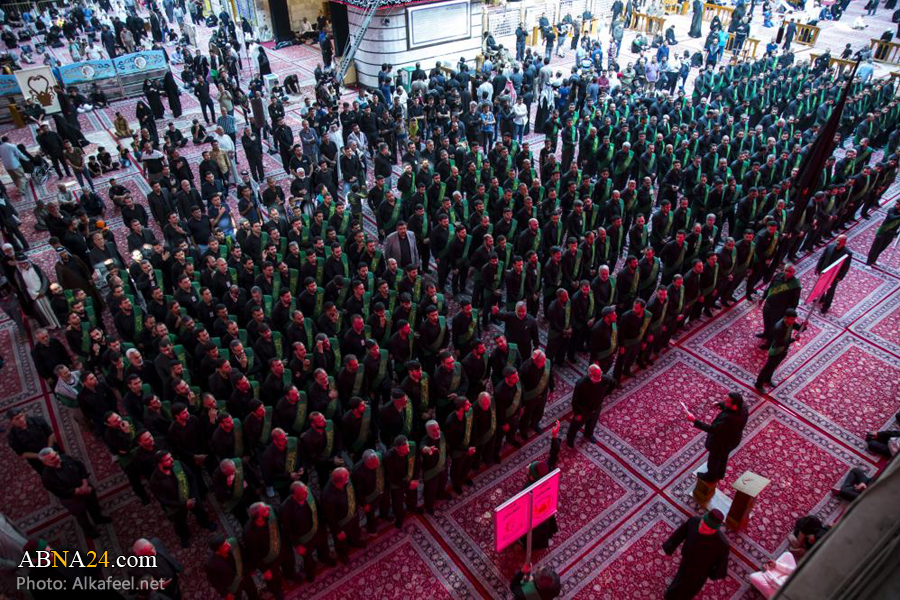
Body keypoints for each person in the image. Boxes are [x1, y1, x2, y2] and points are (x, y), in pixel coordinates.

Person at [39, 447, 111, 538]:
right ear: (46, 462)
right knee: (82, 516)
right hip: (71, 498)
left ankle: (98, 518)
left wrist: (84, 483)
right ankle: (90, 531)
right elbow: (60, 492)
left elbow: (80, 467)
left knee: (94, 505)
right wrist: (79, 491)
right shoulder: (47, 477)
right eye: (53, 458)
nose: (57, 458)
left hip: (84, 486)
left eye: (56, 454)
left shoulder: (65, 457)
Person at [662, 509, 730, 599]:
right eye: (702, 524)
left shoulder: (722, 544)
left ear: (714, 530)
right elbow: (681, 532)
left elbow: (721, 562)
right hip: (686, 558)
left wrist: (714, 574)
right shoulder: (694, 521)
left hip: (700, 571)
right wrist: (670, 546)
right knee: (681, 575)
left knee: (689, 589)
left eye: (706, 529)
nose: (702, 529)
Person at [685, 392, 748, 482]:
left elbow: (712, 429)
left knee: (713, 459)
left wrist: (694, 421)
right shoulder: (743, 408)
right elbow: (729, 407)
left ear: (734, 405)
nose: (725, 402)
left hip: (722, 443)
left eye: (727, 402)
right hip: (733, 440)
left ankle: (710, 476)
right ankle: (720, 473)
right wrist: (720, 404)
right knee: (723, 457)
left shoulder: (729, 419)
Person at [814, 235, 852, 314]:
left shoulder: (847, 253)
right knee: (821, 286)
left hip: (834, 275)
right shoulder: (830, 246)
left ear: (844, 243)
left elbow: (846, 266)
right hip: (825, 271)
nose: (837, 243)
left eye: (840, 242)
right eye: (837, 240)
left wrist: (841, 276)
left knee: (830, 291)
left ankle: (826, 306)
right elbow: (823, 257)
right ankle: (821, 298)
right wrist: (818, 268)